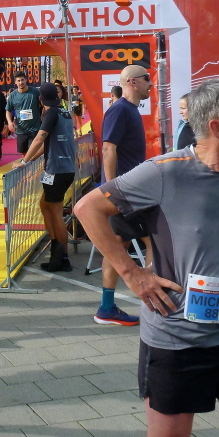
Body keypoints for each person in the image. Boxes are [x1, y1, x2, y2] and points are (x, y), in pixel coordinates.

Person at [75, 78, 219, 437]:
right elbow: (87, 208)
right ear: (218, 127)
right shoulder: (164, 172)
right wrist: (132, 273)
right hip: (176, 338)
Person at [94, 64, 153, 327]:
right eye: (147, 78)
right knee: (155, 243)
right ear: (132, 82)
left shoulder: (129, 109)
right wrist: (111, 189)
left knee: (117, 246)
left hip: (126, 191)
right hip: (124, 193)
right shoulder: (119, 110)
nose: (151, 83)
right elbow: (108, 149)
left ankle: (107, 308)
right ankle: (154, 304)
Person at [15, 83, 76, 272]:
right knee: (45, 205)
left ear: (40, 99)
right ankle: (56, 248)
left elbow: (40, 139)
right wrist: (31, 158)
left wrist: (24, 161)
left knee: (56, 212)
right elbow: (47, 143)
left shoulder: (51, 114)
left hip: (56, 170)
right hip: (64, 168)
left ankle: (62, 257)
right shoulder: (64, 112)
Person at [5, 71, 42, 156]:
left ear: (26, 80)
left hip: (35, 128)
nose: (21, 82)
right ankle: (26, 165)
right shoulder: (13, 95)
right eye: (18, 80)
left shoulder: (35, 92)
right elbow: (8, 110)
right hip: (21, 130)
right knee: (24, 153)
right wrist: (9, 122)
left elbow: (43, 105)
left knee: (35, 152)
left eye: (22, 80)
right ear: (15, 82)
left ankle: (35, 165)